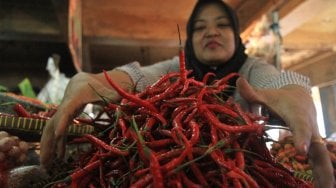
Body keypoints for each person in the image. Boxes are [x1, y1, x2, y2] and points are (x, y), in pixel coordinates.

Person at [40, 0, 335, 187]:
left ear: (236, 36)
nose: (212, 32)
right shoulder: (175, 69)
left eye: (222, 25)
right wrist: (98, 81)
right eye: (200, 27)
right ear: (191, 40)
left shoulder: (251, 69)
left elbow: (277, 82)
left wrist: (295, 91)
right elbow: (140, 77)